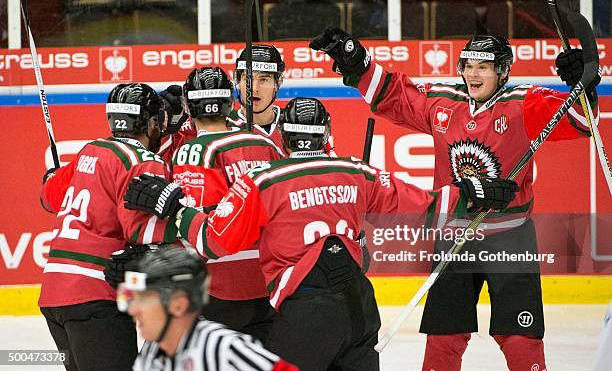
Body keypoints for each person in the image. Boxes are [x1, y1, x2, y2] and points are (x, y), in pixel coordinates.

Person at [123, 97, 519, 371]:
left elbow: (215, 240)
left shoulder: (262, 180)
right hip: (360, 308)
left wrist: (174, 207)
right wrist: (475, 193)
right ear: (324, 132)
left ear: (286, 138)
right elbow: (427, 205)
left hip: (307, 312)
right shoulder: (355, 171)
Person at [309, 27, 600, 371]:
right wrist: (358, 63)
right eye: (469, 65)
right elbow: (395, 95)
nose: (474, 74)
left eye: (484, 66)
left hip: (511, 236)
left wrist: (584, 87)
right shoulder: (444, 101)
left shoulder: (525, 103)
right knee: (444, 335)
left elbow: (582, 123)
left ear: (503, 71)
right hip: (455, 236)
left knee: (521, 336)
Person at [38, 83, 182, 371]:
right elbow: (143, 234)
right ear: (152, 122)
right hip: (95, 294)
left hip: (55, 292)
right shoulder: (142, 161)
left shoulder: (90, 151)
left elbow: (48, 197)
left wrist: (52, 176)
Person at [173, 66, 285, 341]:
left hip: (219, 287)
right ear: (230, 101)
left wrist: (171, 210)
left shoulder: (196, 150)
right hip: (270, 283)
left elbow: (203, 234)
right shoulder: (265, 143)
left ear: (188, 105)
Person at [122, 245, 298, 371]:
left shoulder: (222, 346)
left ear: (178, 304)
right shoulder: (151, 353)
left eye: (144, 301)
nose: (133, 310)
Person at [228, 44, 337, 156]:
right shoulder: (224, 126)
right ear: (238, 82)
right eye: (248, 79)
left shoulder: (299, 121)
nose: (254, 89)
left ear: (278, 83)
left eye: (264, 80)